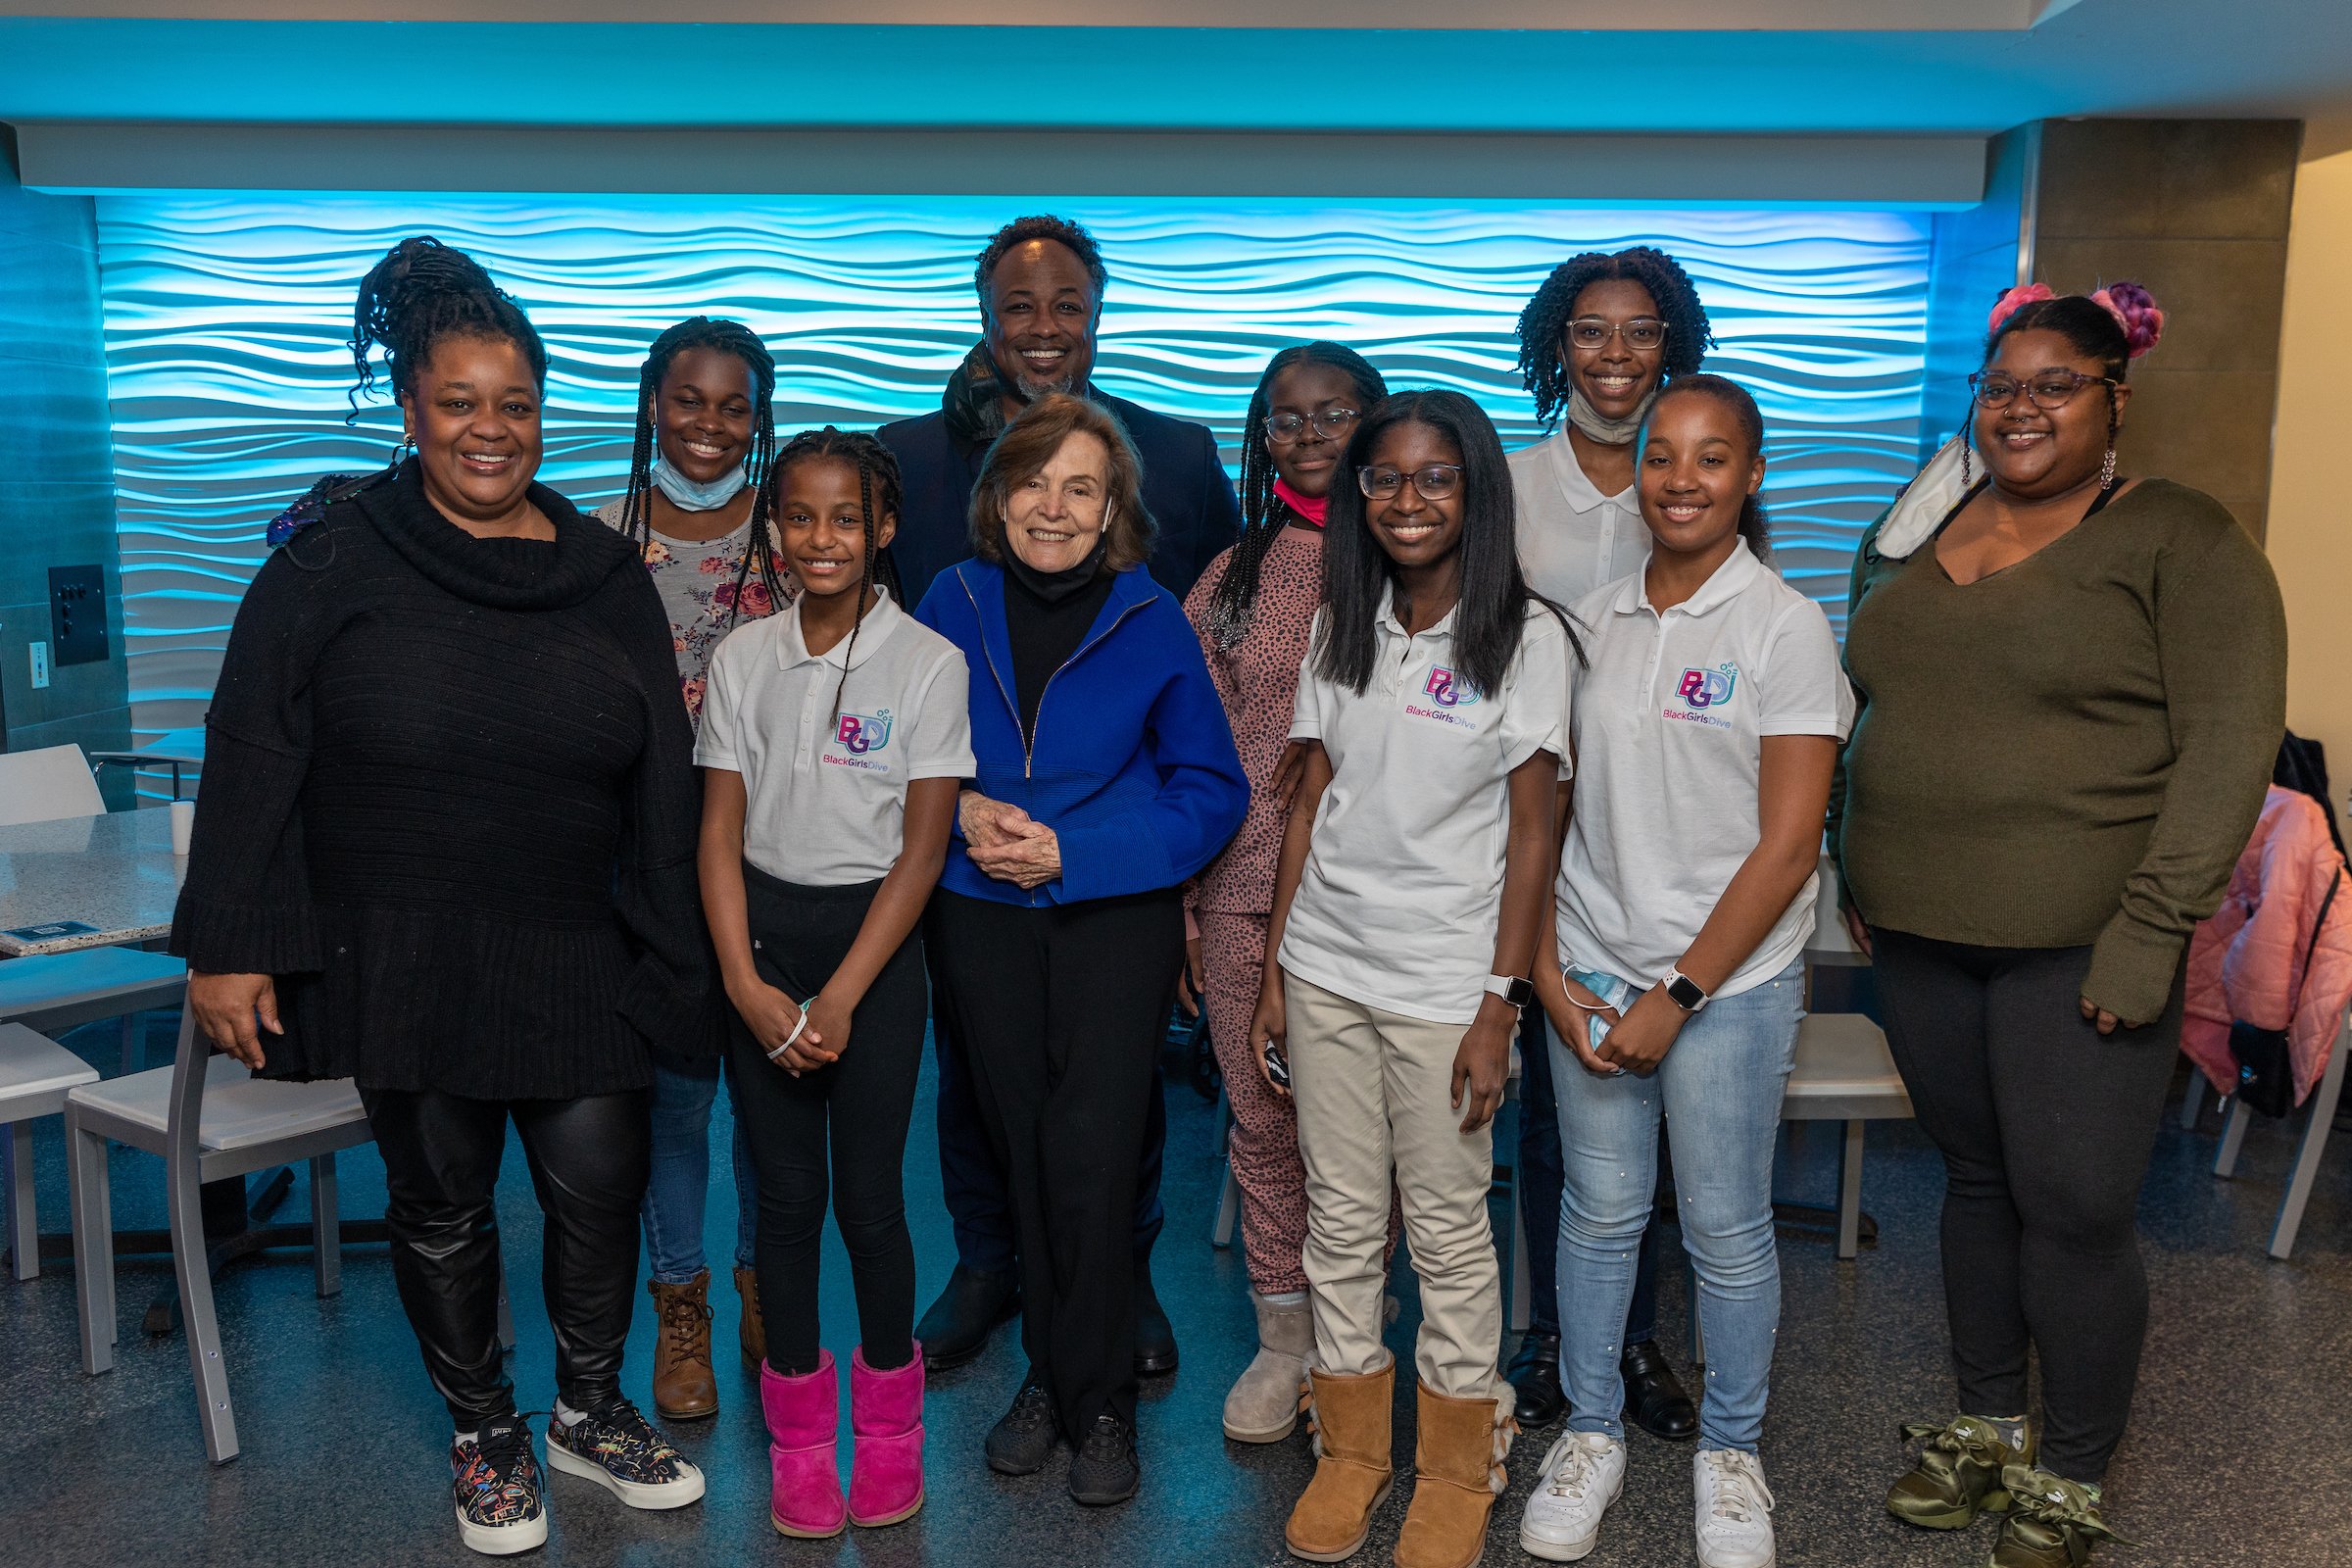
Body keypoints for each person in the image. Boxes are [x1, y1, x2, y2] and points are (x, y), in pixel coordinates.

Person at [172, 236, 707, 1557]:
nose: (489, 429)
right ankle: (484, 1432)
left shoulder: (603, 576)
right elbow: (253, 748)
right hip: (401, 946)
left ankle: (588, 1407)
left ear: (543, 412)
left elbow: (664, 783)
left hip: (578, 947)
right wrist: (228, 946)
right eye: (458, 402)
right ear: (410, 409)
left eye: (513, 404)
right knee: (444, 1203)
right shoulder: (327, 563)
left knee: (598, 1186)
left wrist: (677, 957)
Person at [1840, 283, 2286, 1567]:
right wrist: (1848, 856)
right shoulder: (1929, 525)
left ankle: (2074, 1471)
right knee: (1975, 1183)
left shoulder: (2181, 539)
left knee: (2077, 1206)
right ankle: (1986, 1428)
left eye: (2055, 385)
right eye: (2000, 388)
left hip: (2085, 940)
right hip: (1918, 929)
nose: (2022, 407)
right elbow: (1865, 690)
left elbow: (2228, 747)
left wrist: (2154, 928)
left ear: (2115, 399)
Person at [883, 214, 1242, 1377]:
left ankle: (1116, 1275)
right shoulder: (908, 458)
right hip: (965, 857)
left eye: (1067, 304)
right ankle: (990, 1261)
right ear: (985, 317)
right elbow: (882, 663)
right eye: (1019, 307)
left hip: (1113, 855)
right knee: (975, 1077)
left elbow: (1215, 652)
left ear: (1099, 311)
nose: (1044, 329)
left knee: (1118, 1089)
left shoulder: (1179, 457)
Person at [1516, 375, 1850, 1568]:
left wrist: (1684, 993)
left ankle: (1731, 1454)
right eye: (1663, 456)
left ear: (1752, 475)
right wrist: (1552, 973)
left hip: (1731, 981)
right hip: (1597, 962)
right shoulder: (1589, 622)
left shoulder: (1784, 626)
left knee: (1723, 1227)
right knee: (1599, 1216)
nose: (1682, 479)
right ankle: (1591, 1432)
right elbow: (1545, 819)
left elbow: (1789, 841)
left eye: (1713, 458)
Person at [1254, 389, 1572, 1568]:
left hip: (1447, 985)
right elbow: (1310, 802)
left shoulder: (1528, 639)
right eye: (1385, 478)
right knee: (1340, 1218)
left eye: (1436, 477)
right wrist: (1279, 968)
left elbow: (1535, 836)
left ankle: (1456, 1457)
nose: (1407, 499)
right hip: (1329, 965)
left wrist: (1502, 1001)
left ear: (1475, 492)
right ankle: (1351, 1445)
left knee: (1445, 1226)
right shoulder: (1347, 621)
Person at [915, 393, 1248, 1507]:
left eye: (1081, 489)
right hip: (975, 905)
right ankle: (1050, 1380)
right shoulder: (947, 600)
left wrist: (1071, 848)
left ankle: (1095, 1395)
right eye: (1033, 485)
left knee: (1093, 1153)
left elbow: (1212, 790)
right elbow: (890, 754)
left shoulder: (1152, 617)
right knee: (1020, 1150)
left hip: (1111, 912)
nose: (1052, 509)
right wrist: (959, 811)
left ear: (1114, 511)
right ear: (996, 497)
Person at [696, 428, 971, 1538]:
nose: (822, 538)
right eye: (801, 517)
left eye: (846, 518)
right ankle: (802, 1440)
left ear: (884, 529)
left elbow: (921, 851)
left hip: (875, 952)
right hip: (761, 944)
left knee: (868, 1201)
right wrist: (747, 985)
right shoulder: (743, 658)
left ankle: (891, 1432)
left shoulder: (927, 663)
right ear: (774, 527)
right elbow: (718, 835)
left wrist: (847, 995)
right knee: (785, 1203)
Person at [1502, 244, 1713, 1442]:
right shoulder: (1513, 485)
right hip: (1535, 835)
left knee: (1654, 1104)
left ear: (1670, 343)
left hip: (1664, 839)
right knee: (1554, 1099)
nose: (1617, 353)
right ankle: (1556, 1337)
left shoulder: (1698, 472)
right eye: (1592, 330)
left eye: (1641, 331)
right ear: (1558, 344)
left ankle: (1635, 1343)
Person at [1179, 342, 1392, 1445]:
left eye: (1334, 412)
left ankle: (1358, 1340)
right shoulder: (1232, 575)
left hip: (1381, 897)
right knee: (1262, 1122)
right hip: (1245, 880)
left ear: (1376, 420)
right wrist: (1187, 895)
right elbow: (1189, 745)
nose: (1309, 435)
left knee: (1370, 1137)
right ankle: (1283, 1339)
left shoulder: (1420, 556)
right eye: (1284, 418)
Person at [598, 315, 791, 1421]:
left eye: (733, 405)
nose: (709, 425)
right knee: (674, 1112)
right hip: (646, 874)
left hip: (777, 867)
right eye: (688, 399)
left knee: (768, 1102)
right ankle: (683, 1312)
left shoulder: (797, 530)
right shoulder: (594, 537)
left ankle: (769, 1288)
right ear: (652, 402)